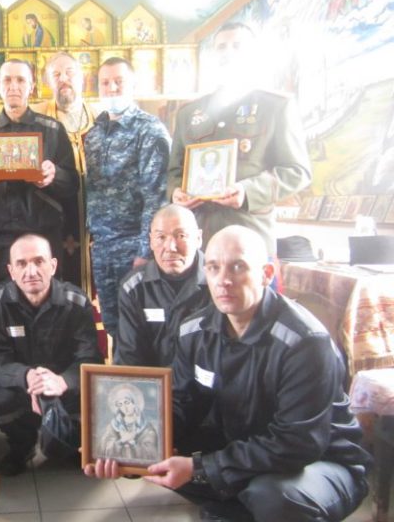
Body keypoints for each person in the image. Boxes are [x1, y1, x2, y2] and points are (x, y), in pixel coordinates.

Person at [87, 225, 371, 522]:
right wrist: (126, 450)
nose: (223, 280)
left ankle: (248, 506)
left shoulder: (304, 342)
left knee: (272, 496)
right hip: (247, 448)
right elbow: (181, 404)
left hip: (322, 461)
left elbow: (297, 443)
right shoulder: (193, 331)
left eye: (238, 267)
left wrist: (200, 468)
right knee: (170, 458)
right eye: (213, 267)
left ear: (266, 274)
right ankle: (237, 508)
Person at [168, 22, 312, 256]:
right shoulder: (189, 113)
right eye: (221, 47)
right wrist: (175, 192)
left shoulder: (275, 106)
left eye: (237, 46)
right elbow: (174, 171)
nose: (228, 52)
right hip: (199, 236)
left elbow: (297, 171)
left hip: (249, 234)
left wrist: (248, 191)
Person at [0, 233, 102, 475]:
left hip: (64, 384)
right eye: (21, 263)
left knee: (91, 395)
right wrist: (27, 377)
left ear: (53, 265)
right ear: (11, 271)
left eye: (39, 261)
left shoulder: (76, 302)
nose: (31, 271)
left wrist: (62, 381)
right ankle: (22, 445)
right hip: (22, 385)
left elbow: (90, 357)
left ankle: (70, 443)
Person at [0, 59, 78, 288]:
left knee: (47, 300)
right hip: (0, 236)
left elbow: (72, 184)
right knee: (0, 301)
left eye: (20, 80)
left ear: (31, 87)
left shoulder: (52, 129)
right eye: (7, 80)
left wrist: (54, 175)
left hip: (44, 232)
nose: (14, 86)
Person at [84, 57, 171, 338]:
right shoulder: (94, 134)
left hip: (135, 246)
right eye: (105, 83)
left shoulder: (150, 130)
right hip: (102, 247)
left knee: (143, 329)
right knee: (113, 327)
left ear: (133, 85)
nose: (111, 88)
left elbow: (156, 196)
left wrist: (145, 252)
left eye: (118, 82)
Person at [31, 51, 98, 292]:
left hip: (96, 220)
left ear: (83, 77)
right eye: (56, 74)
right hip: (54, 220)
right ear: (47, 82)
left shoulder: (101, 118)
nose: (63, 79)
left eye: (70, 72)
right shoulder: (36, 121)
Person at [115, 204, 210, 367]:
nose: (170, 247)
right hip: (153, 381)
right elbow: (129, 357)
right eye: (161, 237)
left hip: (204, 381)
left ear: (198, 238)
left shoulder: (218, 281)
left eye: (181, 235)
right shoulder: (134, 288)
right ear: (151, 241)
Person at [97, 384, 158, 462]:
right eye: (120, 404)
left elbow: (152, 453)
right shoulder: (113, 426)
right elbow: (103, 448)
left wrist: (133, 443)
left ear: (134, 403)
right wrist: (121, 441)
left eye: (127, 402)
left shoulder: (146, 428)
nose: (124, 408)